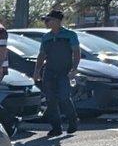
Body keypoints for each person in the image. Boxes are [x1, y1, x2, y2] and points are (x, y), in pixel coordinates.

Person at [34, 9, 82, 137]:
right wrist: (37, 71)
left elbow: (76, 52)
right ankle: (56, 127)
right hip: (49, 71)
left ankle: (73, 121)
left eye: (48, 20)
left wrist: (74, 68)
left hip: (64, 71)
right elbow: (42, 54)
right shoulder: (46, 37)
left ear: (57, 21)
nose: (46, 22)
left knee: (64, 97)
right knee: (51, 100)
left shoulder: (70, 35)